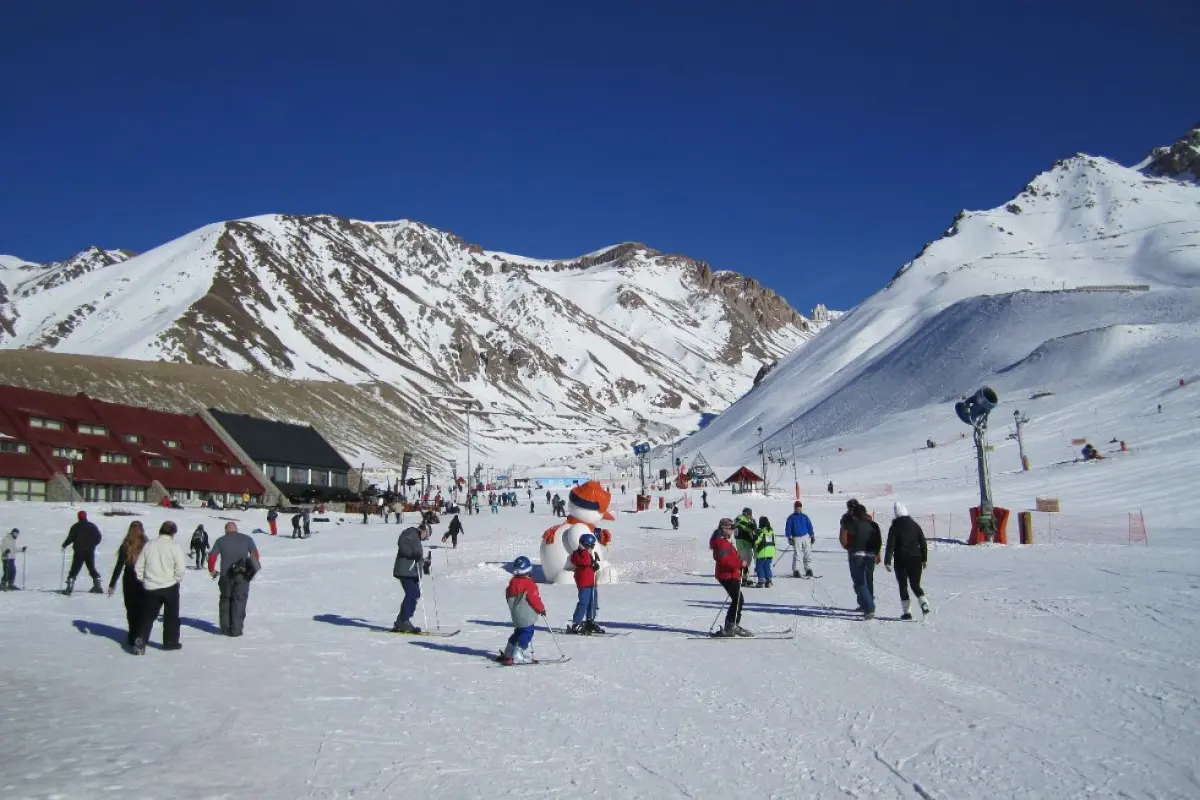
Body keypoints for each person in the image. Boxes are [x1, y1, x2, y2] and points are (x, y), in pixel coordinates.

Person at [133, 521, 187, 654]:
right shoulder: (174, 546)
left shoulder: (149, 545)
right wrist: (176, 580)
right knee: (171, 616)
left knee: (148, 616)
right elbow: (180, 567)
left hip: (151, 586)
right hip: (170, 586)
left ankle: (141, 638)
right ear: (173, 532)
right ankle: (170, 642)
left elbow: (138, 566)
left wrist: (143, 579)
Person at [207, 521, 261, 637]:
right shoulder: (247, 539)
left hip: (226, 576)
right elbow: (255, 555)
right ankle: (236, 630)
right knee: (239, 601)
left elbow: (212, 557)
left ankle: (225, 628)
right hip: (242, 575)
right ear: (236, 529)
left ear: (226, 530)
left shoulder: (221, 540)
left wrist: (211, 570)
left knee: (225, 600)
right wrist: (250, 569)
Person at [885, 503, 931, 620]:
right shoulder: (915, 525)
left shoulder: (894, 527)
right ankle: (924, 603)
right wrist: (924, 558)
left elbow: (890, 545)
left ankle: (907, 612)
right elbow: (923, 542)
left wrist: (887, 561)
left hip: (901, 560)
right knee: (915, 585)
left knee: (903, 585)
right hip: (916, 558)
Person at [107, 521, 148, 648]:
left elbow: (119, 566)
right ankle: (140, 635)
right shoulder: (146, 544)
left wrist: (112, 584)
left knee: (131, 608)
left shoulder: (125, 545)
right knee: (142, 608)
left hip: (129, 577)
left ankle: (132, 635)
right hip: (143, 578)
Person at [500, 555, 546, 664]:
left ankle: (509, 651)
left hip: (516, 615)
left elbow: (508, 595)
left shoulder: (512, 583)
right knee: (527, 632)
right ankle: (518, 653)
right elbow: (534, 598)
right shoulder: (529, 583)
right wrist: (541, 609)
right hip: (526, 615)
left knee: (518, 632)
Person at [840, 503, 882, 619]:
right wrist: (877, 553)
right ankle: (866, 603)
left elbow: (843, 538)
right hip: (870, 556)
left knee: (860, 582)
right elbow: (879, 540)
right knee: (869, 580)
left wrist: (849, 547)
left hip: (857, 554)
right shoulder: (874, 525)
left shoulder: (852, 523)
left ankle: (870, 607)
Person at [711, 518, 751, 636]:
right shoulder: (721, 542)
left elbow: (730, 557)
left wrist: (740, 563)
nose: (733, 531)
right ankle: (731, 625)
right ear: (724, 529)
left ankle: (732, 625)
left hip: (731, 574)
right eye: (731, 528)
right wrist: (740, 564)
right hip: (726, 575)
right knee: (738, 599)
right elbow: (724, 561)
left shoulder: (724, 541)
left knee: (738, 599)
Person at [391, 520, 430, 633]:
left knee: (415, 594)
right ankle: (403, 620)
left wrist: (424, 561)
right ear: (423, 531)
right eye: (426, 536)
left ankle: (402, 620)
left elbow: (416, 556)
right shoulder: (411, 532)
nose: (425, 538)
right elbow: (402, 543)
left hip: (411, 572)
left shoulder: (416, 538)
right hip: (405, 570)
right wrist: (412, 553)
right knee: (411, 594)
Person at [567, 532, 605, 634]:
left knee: (592, 603)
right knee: (583, 602)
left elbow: (588, 563)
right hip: (583, 582)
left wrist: (594, 565)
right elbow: (584, 562)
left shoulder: (587, 553)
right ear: (585, 545)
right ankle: (576, 623)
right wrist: (587, 555)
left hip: (590, 581)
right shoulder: (578, 553)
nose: (591, 548)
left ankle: (589, 621)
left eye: (592, 546)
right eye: (590, 546)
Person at [62, 510, 103, 595]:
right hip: (89, 551)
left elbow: (71, 538)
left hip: (79, 551)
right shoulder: (92, 526)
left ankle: (69, 587)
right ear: (86, 517)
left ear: (78, 517)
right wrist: (93, 544)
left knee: (75, 569)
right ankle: (98, 586)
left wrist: (64, 545)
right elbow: (98, 537)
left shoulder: (75, 527)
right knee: (91, 568)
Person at [785, 501, 816, 578]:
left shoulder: (805, 517)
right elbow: (788, 529)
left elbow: (809, 526)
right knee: (797, 554)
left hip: (805, 537)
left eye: (799, 508)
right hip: (796, 537)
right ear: (794, 508)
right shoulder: (791, 518)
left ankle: (808, 569)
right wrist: (789, 537)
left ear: (801, 508)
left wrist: (812, 535)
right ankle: (796, 570)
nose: (798, 509)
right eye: (796, 508)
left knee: (807, 553)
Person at [733, 508, 757, 587]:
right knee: (748, 561)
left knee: (744, 561)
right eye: (750, 514)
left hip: (741, 543)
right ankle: (746, 578)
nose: (751, 516)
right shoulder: (742, 519)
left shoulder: (740, 519)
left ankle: (744, 578)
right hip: (745, 543)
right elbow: (745, 528)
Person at [753, 516, 776, 588]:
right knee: (767, 566)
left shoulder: (761, 532)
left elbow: (757, 541)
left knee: (759, 567)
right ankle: (768, 580)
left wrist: (754, 538)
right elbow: (774, 541)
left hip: (762, 551)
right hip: (771, 551)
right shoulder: (771, 532)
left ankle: (761, 580)